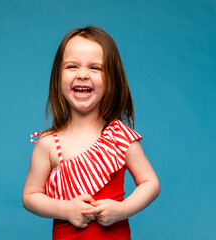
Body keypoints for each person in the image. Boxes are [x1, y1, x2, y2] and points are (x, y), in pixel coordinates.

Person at [22, 26, 160, 240]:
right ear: (58, 76)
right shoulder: (48, 143)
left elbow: (150, 183)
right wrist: (66, 210)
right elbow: (30, 197)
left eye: (95, 68)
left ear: (111, 79)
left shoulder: (119, 137)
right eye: (72, 66)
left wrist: (122, 210)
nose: (83, 75)